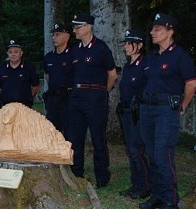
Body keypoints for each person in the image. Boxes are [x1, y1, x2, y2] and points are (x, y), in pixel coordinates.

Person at [138, 13, 196, 209]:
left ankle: (171, 203)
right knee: (152, 154)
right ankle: (157, 195)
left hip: (166, 110)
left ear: (170, 31)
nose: (152, 32)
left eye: (157, 29)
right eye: (152, 29)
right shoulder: (151, 57)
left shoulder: (180, 56)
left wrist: (181, 106)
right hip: (148, 109)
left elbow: (191, 83)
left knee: (163, 155)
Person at [68, 13, 118, 188]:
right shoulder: (75, 49)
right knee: (75, 138)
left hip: (95, 98)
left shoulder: (101, 48)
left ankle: (102, 178)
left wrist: (104, 91)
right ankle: (77, 174)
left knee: (98, 139)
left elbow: (112, 74)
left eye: (78, 27)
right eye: (74, 27)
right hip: (77, 97)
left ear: (88, 27)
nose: (74, 30)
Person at [118, 29, 151, 199]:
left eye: (129, 43)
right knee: (130, 150)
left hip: (139, 113)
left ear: (139, 45)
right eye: (125, 43)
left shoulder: (146, 64)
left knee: (136, 149)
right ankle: (136, 184)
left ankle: (145, 186)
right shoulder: (127, 66)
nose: (126, 46)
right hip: (126, 112)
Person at [42, 23, 73, 135]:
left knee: (71, 133)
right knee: (52, 133)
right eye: (53, 35)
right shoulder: (48, 57)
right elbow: (47, 76)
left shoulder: (73, 55)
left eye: (57, 34)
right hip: (53, 100)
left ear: (67, 36)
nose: (54, 37)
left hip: (69, 99)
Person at [0, 39, 40, 108]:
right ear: (7, 54)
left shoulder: (29, 67)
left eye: (16, 52)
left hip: (24, 107)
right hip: (6, 108)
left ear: (21, 53)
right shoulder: (2, 68)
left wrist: (27, 97)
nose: (13, 54)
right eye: (10, 52)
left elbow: (36, 86)